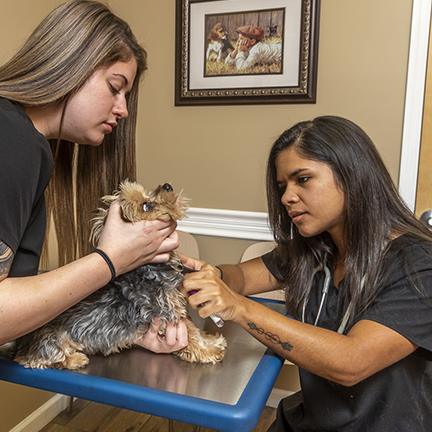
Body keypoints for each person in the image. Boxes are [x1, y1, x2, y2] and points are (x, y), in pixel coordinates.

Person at [180, 115, 432, 431]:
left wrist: (238, 307)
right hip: (308, 420)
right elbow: (242, 277)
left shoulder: (420, 263)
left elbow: (351, 362)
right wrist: (212, 275)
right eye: (282, 185)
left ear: (352, 175)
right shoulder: (314, 248)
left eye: (303, 179)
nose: (286, 197)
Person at [0, 0, 188, 353]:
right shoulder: (13, 141)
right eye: (115, 87)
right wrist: (111, 260)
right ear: (69, 65)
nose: (123, 110)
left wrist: (125, 330)